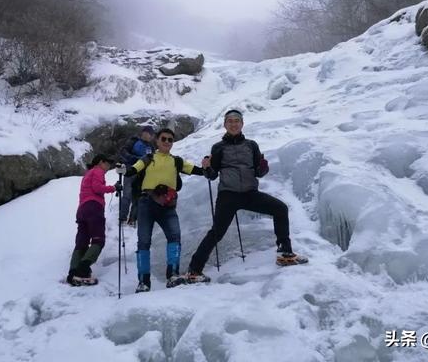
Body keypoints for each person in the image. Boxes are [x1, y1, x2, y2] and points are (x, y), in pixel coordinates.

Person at [185, 109, 308, 283]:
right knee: (216, 233)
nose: (234, 124)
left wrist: (263, 167)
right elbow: (212, 175)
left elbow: (259, 172)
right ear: (225, 125)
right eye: (230, 121)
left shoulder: (251, 145)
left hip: (250, 193)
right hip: (228, 195)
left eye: (237, 121)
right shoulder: (218, 147)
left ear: (242, 124)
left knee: (280, 209)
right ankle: (194, 271)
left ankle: (285, 252)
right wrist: (206, 168)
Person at [116, 128, 207, 293]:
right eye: (163, 139)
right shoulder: (148, 158)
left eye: (170, 140)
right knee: (144, 241)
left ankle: (172, 275)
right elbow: (133, 169)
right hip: (147, 203)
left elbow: (195, 170)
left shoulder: (177, 161)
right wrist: (124, 170)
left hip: (167, 204)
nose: (167, 142)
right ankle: (144, 281)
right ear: (157, 141)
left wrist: (208, 169)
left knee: (174, 236)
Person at [66, 154, 121, 286]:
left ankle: (73, 273)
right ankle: (83, 270)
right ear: (101, 162)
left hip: (82, 209)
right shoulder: (98, 171)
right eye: (107, 163)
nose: (108, 166)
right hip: (94, 207)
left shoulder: (88, 173)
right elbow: (97, 188)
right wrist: (113, 188)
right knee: (98, 240)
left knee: (82, 243)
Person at [118, 125, 155, 226]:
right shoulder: (133, 141)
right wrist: (135, 159)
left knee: (138, 196)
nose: (150, 136)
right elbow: (123, 151)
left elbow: (153, 159)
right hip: (130, 170)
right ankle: (122, 218)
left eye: (151, 135)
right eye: (149, 134)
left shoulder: (151, 147)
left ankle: (132, 219)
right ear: (144, 133)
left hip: (143, 174)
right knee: (127, 194)